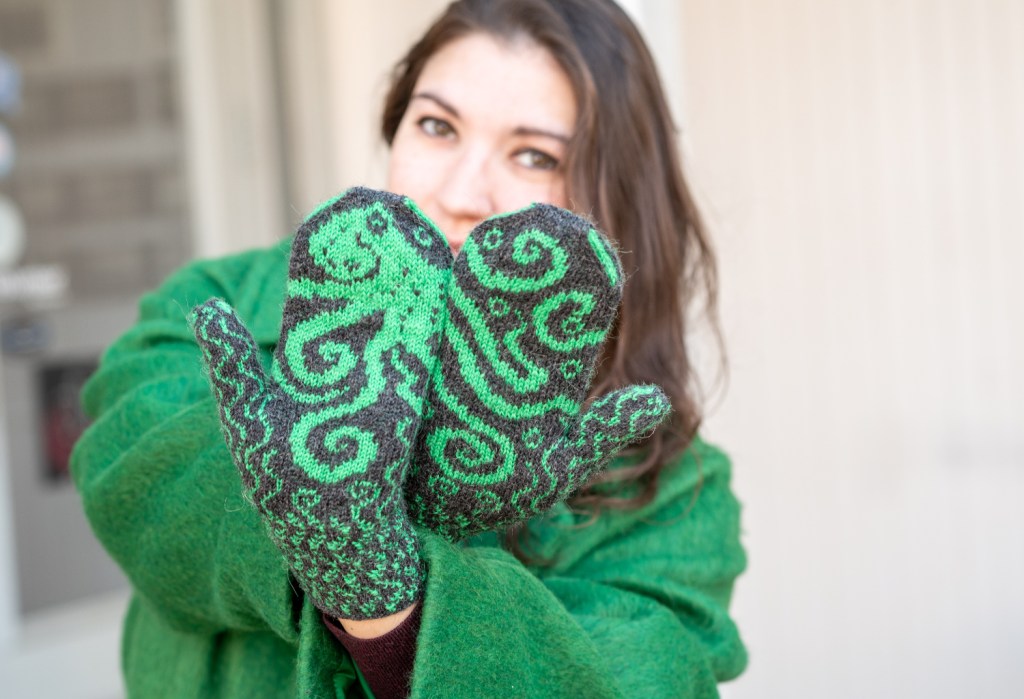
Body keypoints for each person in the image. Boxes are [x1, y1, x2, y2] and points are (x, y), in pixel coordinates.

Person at [70, 0, 748, 697]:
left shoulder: (673, 494)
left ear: (615, 194)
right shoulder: (227, 298)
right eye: (436, 125)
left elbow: (652, 676)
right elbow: (129, 475)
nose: (459, 192)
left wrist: (392, 608)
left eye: (534, 154)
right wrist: (325, 505)